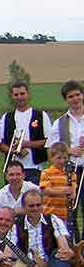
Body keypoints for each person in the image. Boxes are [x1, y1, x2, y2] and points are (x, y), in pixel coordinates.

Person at [11, 189, 75, 267]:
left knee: (60, 253)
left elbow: (62, 240)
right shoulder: (16, 225)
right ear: (23, 207)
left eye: (38, 205)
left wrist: (65, 249)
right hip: (27, 265)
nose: (35, 209)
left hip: (50, 263)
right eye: (31, 206)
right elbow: (10, 248)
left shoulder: (53, 219)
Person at [0, 81, 52, 185]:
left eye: (22, 94)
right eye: (16, 94)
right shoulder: (6, 117)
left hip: (34, 168)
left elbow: (48, 141)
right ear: (12, 96)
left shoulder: (41, 116)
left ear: (28, 94)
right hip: (12, 170)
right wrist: (14, 151)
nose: (19, 97)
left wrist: (26, 144)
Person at [47, 80, 84, 237]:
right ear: (66, 99)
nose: (75, 99)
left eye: (77, 95)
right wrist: (69, 151)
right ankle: (74, 248)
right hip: (68, 172)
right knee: (70, 211)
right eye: (70, 96)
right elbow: (52, 149)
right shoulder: (59, 123)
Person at [39, 143, 78, 226]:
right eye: (58, 158)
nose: (62, 161)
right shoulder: (47, 173)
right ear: (51, 158)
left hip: (65, 214)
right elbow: (46, 190)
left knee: (66, 236)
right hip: (50, 213)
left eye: (65, 158)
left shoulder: (71, 174)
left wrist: (72, 194)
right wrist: (63, 192)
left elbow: (73, 191)